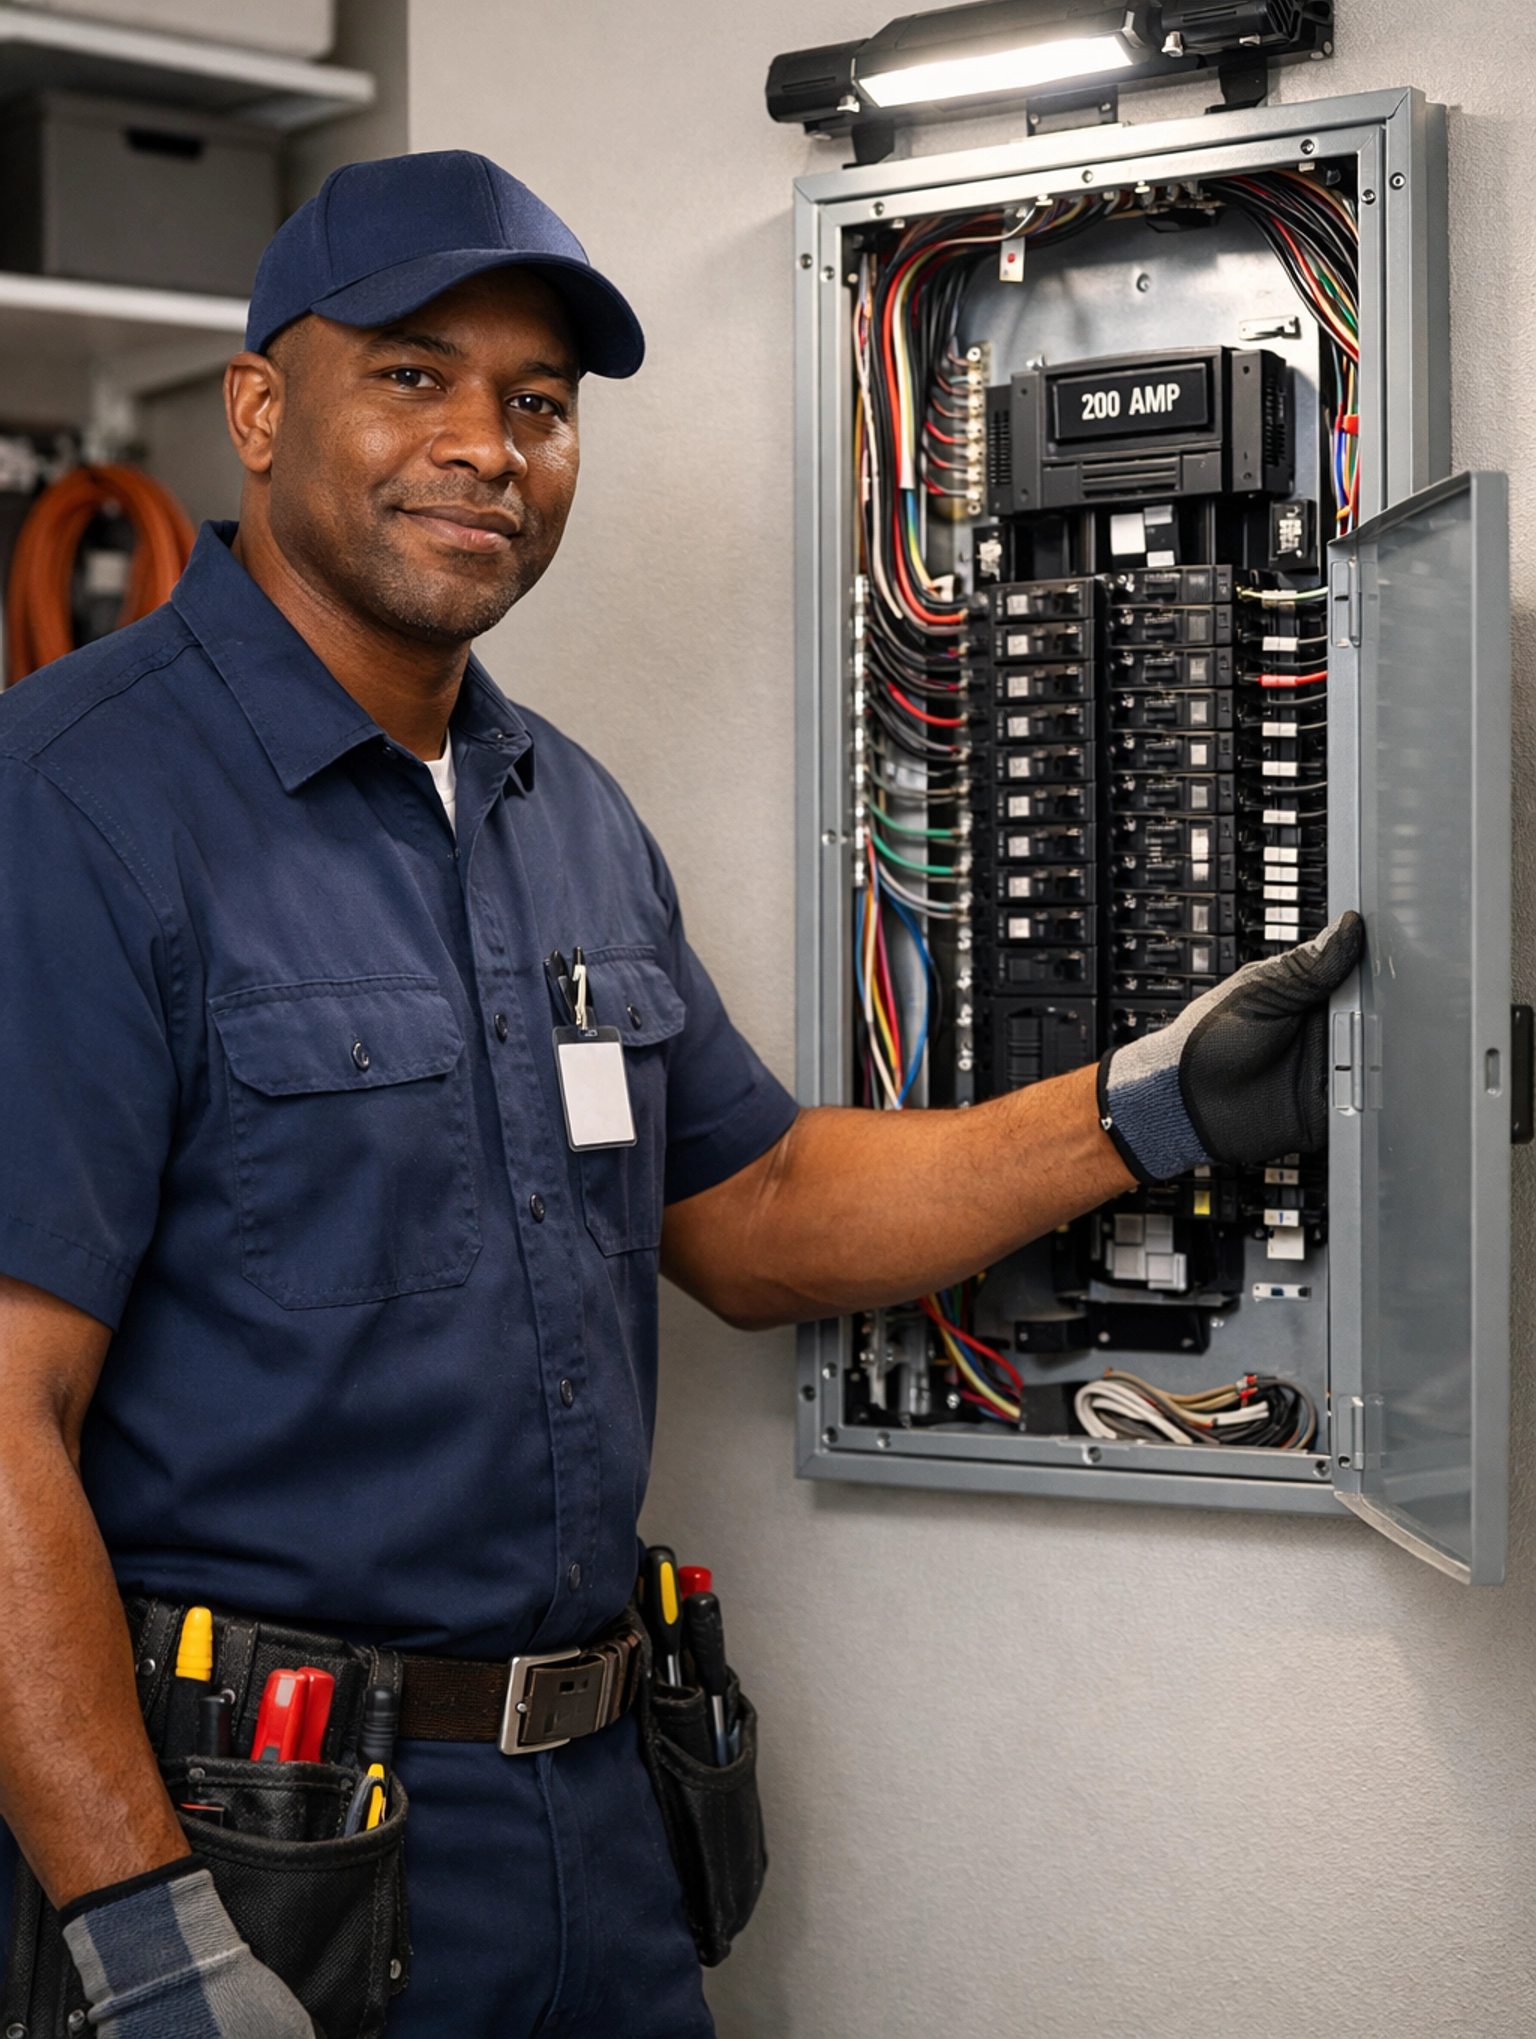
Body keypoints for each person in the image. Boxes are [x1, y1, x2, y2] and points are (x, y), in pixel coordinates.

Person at [0, 151, 1361, 2038]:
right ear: (256, 409)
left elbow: (759, 1209)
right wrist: (143, 1939)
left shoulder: (566, 814)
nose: (486, 447)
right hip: (253, 1847)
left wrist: (1153, 1107)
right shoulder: (70, 804)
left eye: (538, 405)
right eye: (412, 376)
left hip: (599, 1823)